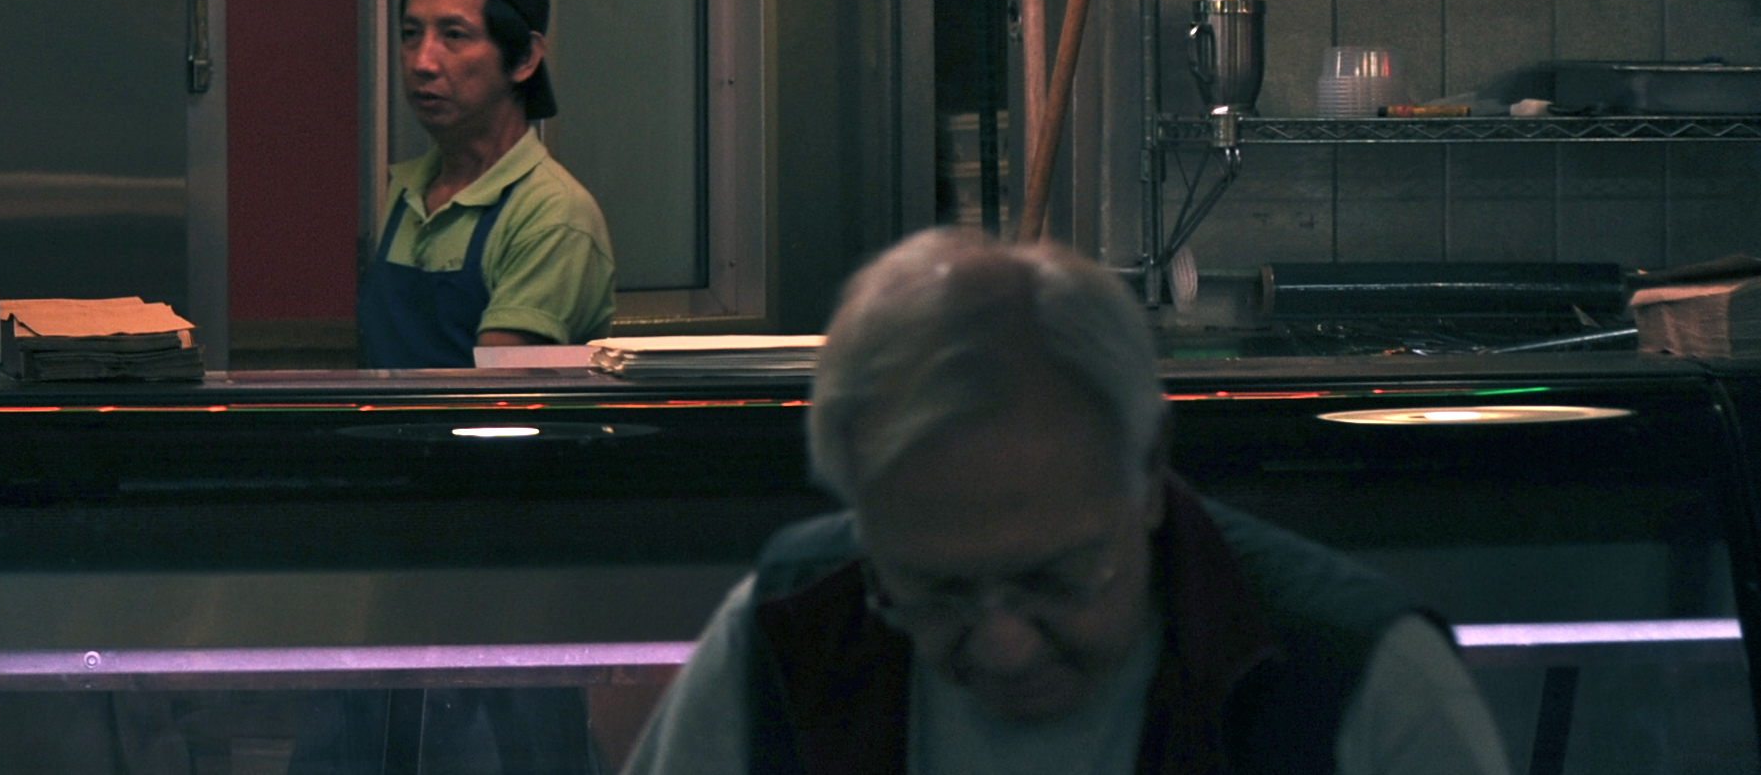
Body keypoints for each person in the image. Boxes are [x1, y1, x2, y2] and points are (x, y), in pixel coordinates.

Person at [621, 229, 1505, 774]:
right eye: (932, 594)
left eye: (1055, 580)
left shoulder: (1355, 683)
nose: (1002, 648)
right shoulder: (785, 636)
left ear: (1149, 470)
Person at [364, 0, 615, 363]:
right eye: (410, 33)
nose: (422, 61)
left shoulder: (552, 215)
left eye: (454, 35)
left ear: (524, 58)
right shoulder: (396, 193)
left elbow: (497, 399)